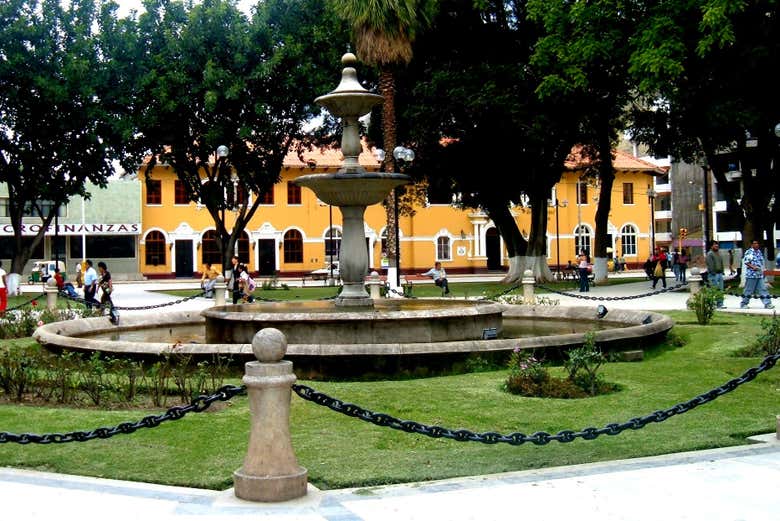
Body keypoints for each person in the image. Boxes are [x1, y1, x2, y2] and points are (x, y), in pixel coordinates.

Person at [740, 240, 774, 309]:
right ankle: (744, 304)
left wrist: (763, 270)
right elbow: (746, 262)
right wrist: (753, 267)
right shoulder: (749, 252)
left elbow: (761, 262)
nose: (756, 244)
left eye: (757, 243)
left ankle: (767, 303)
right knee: (748, 290)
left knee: (763, 289)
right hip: (751, 275)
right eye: (755, 243)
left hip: (759, 275)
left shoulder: (759, 252)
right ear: (752, 245)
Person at [705, 241, 725, 308]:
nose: (716, 246)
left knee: (721, 289)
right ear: (711, 246)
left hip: (719, 274)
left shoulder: (718, 254)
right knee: (715, 289)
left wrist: (722, 271)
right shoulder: (710, 254)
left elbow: (721, 263)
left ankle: (720, 304)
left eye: (717, 245)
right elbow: (710, 265)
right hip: (713, 274)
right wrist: (713, 272)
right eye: (715, 245)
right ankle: (715, 304)